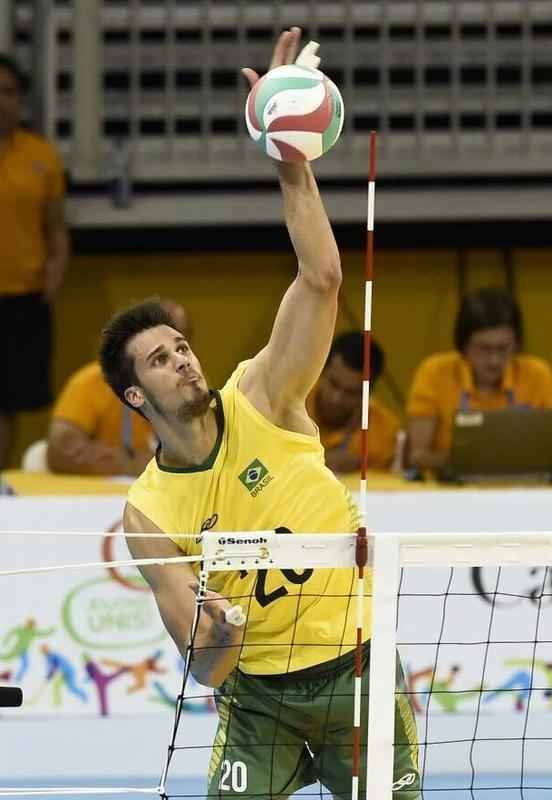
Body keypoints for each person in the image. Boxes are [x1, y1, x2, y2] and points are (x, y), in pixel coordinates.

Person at [98, 28, 419, 800]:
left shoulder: (263, 396)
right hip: (258, 703)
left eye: (182, 346)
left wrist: (293, 171)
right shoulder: (148, 513)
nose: (183, 360)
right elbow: (202, 667)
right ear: (136, 396)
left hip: (357, 671)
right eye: (160, 359)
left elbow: (322, 278)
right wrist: (219, 633)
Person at [406, 287, 552, 472]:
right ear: (463, 345)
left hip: (524, 487)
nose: (494, 360)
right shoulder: (435, 372)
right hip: (452, 491)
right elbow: (417, 456)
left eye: (503, 348)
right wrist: (476, 461)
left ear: (517, 344)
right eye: (483, 348)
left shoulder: (538, 374)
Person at [0, 54, 69, 467]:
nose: (0, 100)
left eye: (8, 91)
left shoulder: (40, 156)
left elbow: (56, 230)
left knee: (11, 403)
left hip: (24, 298)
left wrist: (53, 279)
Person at [47, 299, 188, 477]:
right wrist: (139, 464)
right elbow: (61, 452)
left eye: (179, 344)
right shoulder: (93, 381)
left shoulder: (193, 384)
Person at [306, 331, 400, 473]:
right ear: (320, 370)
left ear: (368, 393)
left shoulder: (384, 431)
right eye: (333, 383)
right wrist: (322, 461)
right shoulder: (284, 403)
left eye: (350, 393)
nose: (336, 398)